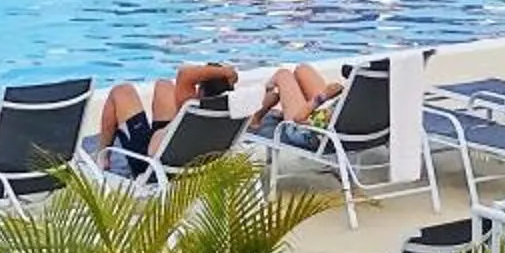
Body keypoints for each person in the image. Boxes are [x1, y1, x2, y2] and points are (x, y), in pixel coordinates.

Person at [94, 59, 343, 177]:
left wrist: (225, 71)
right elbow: (268, 99)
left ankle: (103, 157)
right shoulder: (238, 107)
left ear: (199, 91)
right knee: (162, 86)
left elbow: (185, 75)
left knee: (121, 92)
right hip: (191, 153)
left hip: (156, 164)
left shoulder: (191, 106)